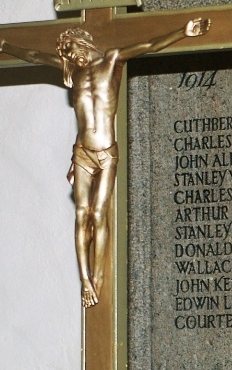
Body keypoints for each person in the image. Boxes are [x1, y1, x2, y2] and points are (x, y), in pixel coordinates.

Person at [0, 17, 210, 307]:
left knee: (98, 215)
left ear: (84, 41)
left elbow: (147, 46)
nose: (72, 56)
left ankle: (97, 277)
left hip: (106, 153)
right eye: (67, 53)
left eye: (73, 48)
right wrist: (5, 44)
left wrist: (182, 32)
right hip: (82, 152)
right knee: (80, 215)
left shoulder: (112, 60)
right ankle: (85, 280)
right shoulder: (73, 71)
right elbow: (35, 55)